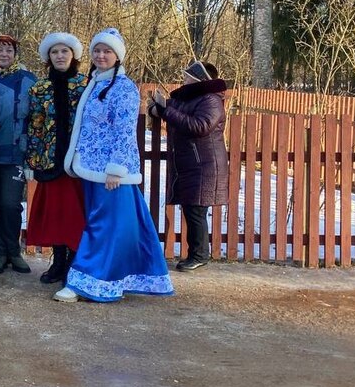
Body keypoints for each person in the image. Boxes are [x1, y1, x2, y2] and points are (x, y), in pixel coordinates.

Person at [54, 28, 174, 303]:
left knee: (103, 225)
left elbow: (124, 130)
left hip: (109, 171)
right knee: (123, 225)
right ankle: (117, 277)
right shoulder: (94, 83)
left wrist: (115, 168)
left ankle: (85, 280)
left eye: (107, 51)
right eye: (97, 50)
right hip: (90, 168)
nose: (100, 55)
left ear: (117, 56)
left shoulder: (124, 88)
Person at [148, 61, 228, 272]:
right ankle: (197, 253)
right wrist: (156, 108)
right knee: (191, 207)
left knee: (196, 210)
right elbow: (170, 109)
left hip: (205, 163)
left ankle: (199, 255)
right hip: (192, 163)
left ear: (199, 79)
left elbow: (199, 126)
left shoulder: (211, 100)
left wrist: (165, 111)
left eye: (188, 76)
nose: (184, 79)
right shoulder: (190, 98)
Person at [24, 32, 89, 285]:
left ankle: (74, 263)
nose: (60, 56)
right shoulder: (39, 88)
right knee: (55, 214)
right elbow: (35, 126)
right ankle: (58, 261)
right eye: (55, 52)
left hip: (78, 163)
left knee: (75, 215)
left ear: (73, 55)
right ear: (48, 57)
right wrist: (33, 159)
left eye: (64, 51)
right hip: (51, 160)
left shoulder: (85, 85)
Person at [0, 34, 37, 273]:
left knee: (10, 204)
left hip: (15, 153)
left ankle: (14, 251)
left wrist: (32, 154)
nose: (4, 55)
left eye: (8, 50)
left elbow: (37, 118)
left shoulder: (28, 80)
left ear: (15, 54)